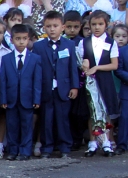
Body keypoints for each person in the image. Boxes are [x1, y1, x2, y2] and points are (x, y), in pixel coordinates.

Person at [34, 12, 79, 158]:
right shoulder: (38, 46)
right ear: (44, 28)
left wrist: (74, 86)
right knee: (46, 119)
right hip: (46, 88)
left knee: (63, 118)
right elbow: (36, 69)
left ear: (63, 27)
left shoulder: (69, 45)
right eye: (48, 26)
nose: (52, 29)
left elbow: (72, 67)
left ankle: (65, 147)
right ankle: (47, 148)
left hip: (63, 88)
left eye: (55, 26)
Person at [0, 24, 41, 161]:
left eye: (24, 39)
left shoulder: (35, 59)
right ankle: (13, 150)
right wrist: (3, 99)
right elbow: (3, 80)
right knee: (12, 126)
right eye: (18, 39)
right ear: (11, 40)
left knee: (27, 126)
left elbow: (37, 81)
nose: (21, 42)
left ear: (29, 39)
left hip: (27, 98)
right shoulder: (6, 58)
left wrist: (37, 99)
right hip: (11, 99)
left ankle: (25, 151)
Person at [79, 11, 119, 156]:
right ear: (89, 25)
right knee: (92, 111)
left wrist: (97, 67)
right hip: (91, 81)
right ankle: (93, 142)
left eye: (100, 24)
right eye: (94, 24)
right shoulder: (84, 42)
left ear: (106, 25)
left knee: (105, 111)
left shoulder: (111, 42)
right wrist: (84, 65)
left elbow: (114, 65)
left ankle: (106, 142)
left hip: (105, 80)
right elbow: (81, 60)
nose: (97, 27)